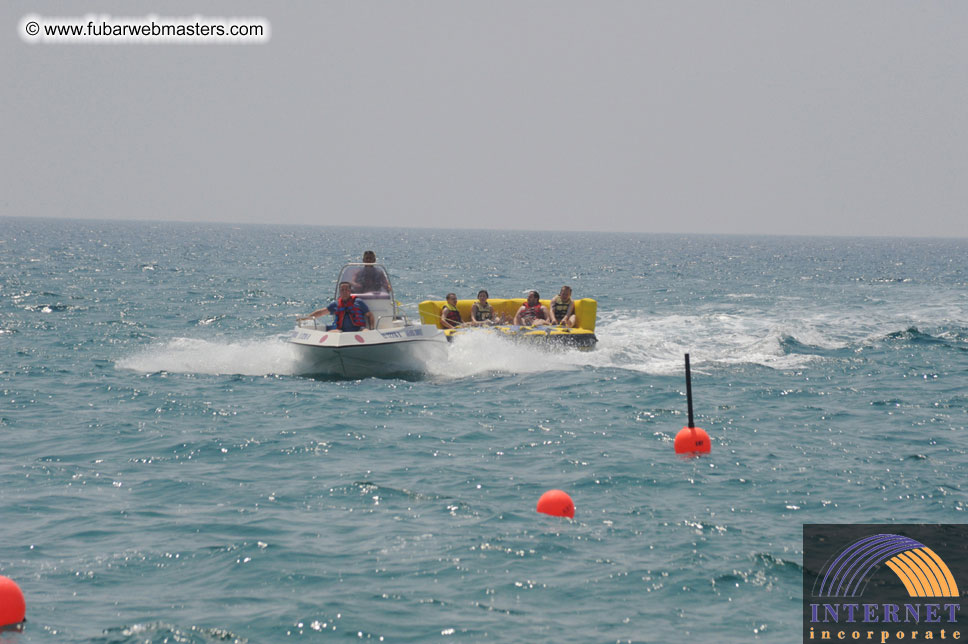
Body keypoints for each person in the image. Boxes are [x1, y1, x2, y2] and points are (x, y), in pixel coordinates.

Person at [303, 281, 374, 331]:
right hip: (340, 330)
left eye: (346, 290)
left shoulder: (358, 302)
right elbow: (321, 312)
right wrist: (305, 318)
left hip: (358, 329)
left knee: (366, 332)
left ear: (350, 291)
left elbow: (370, 315)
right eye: (342, 290)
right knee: (333, 334)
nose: (344, 292)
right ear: (339, 292)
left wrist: (372, 328)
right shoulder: (335, 304)